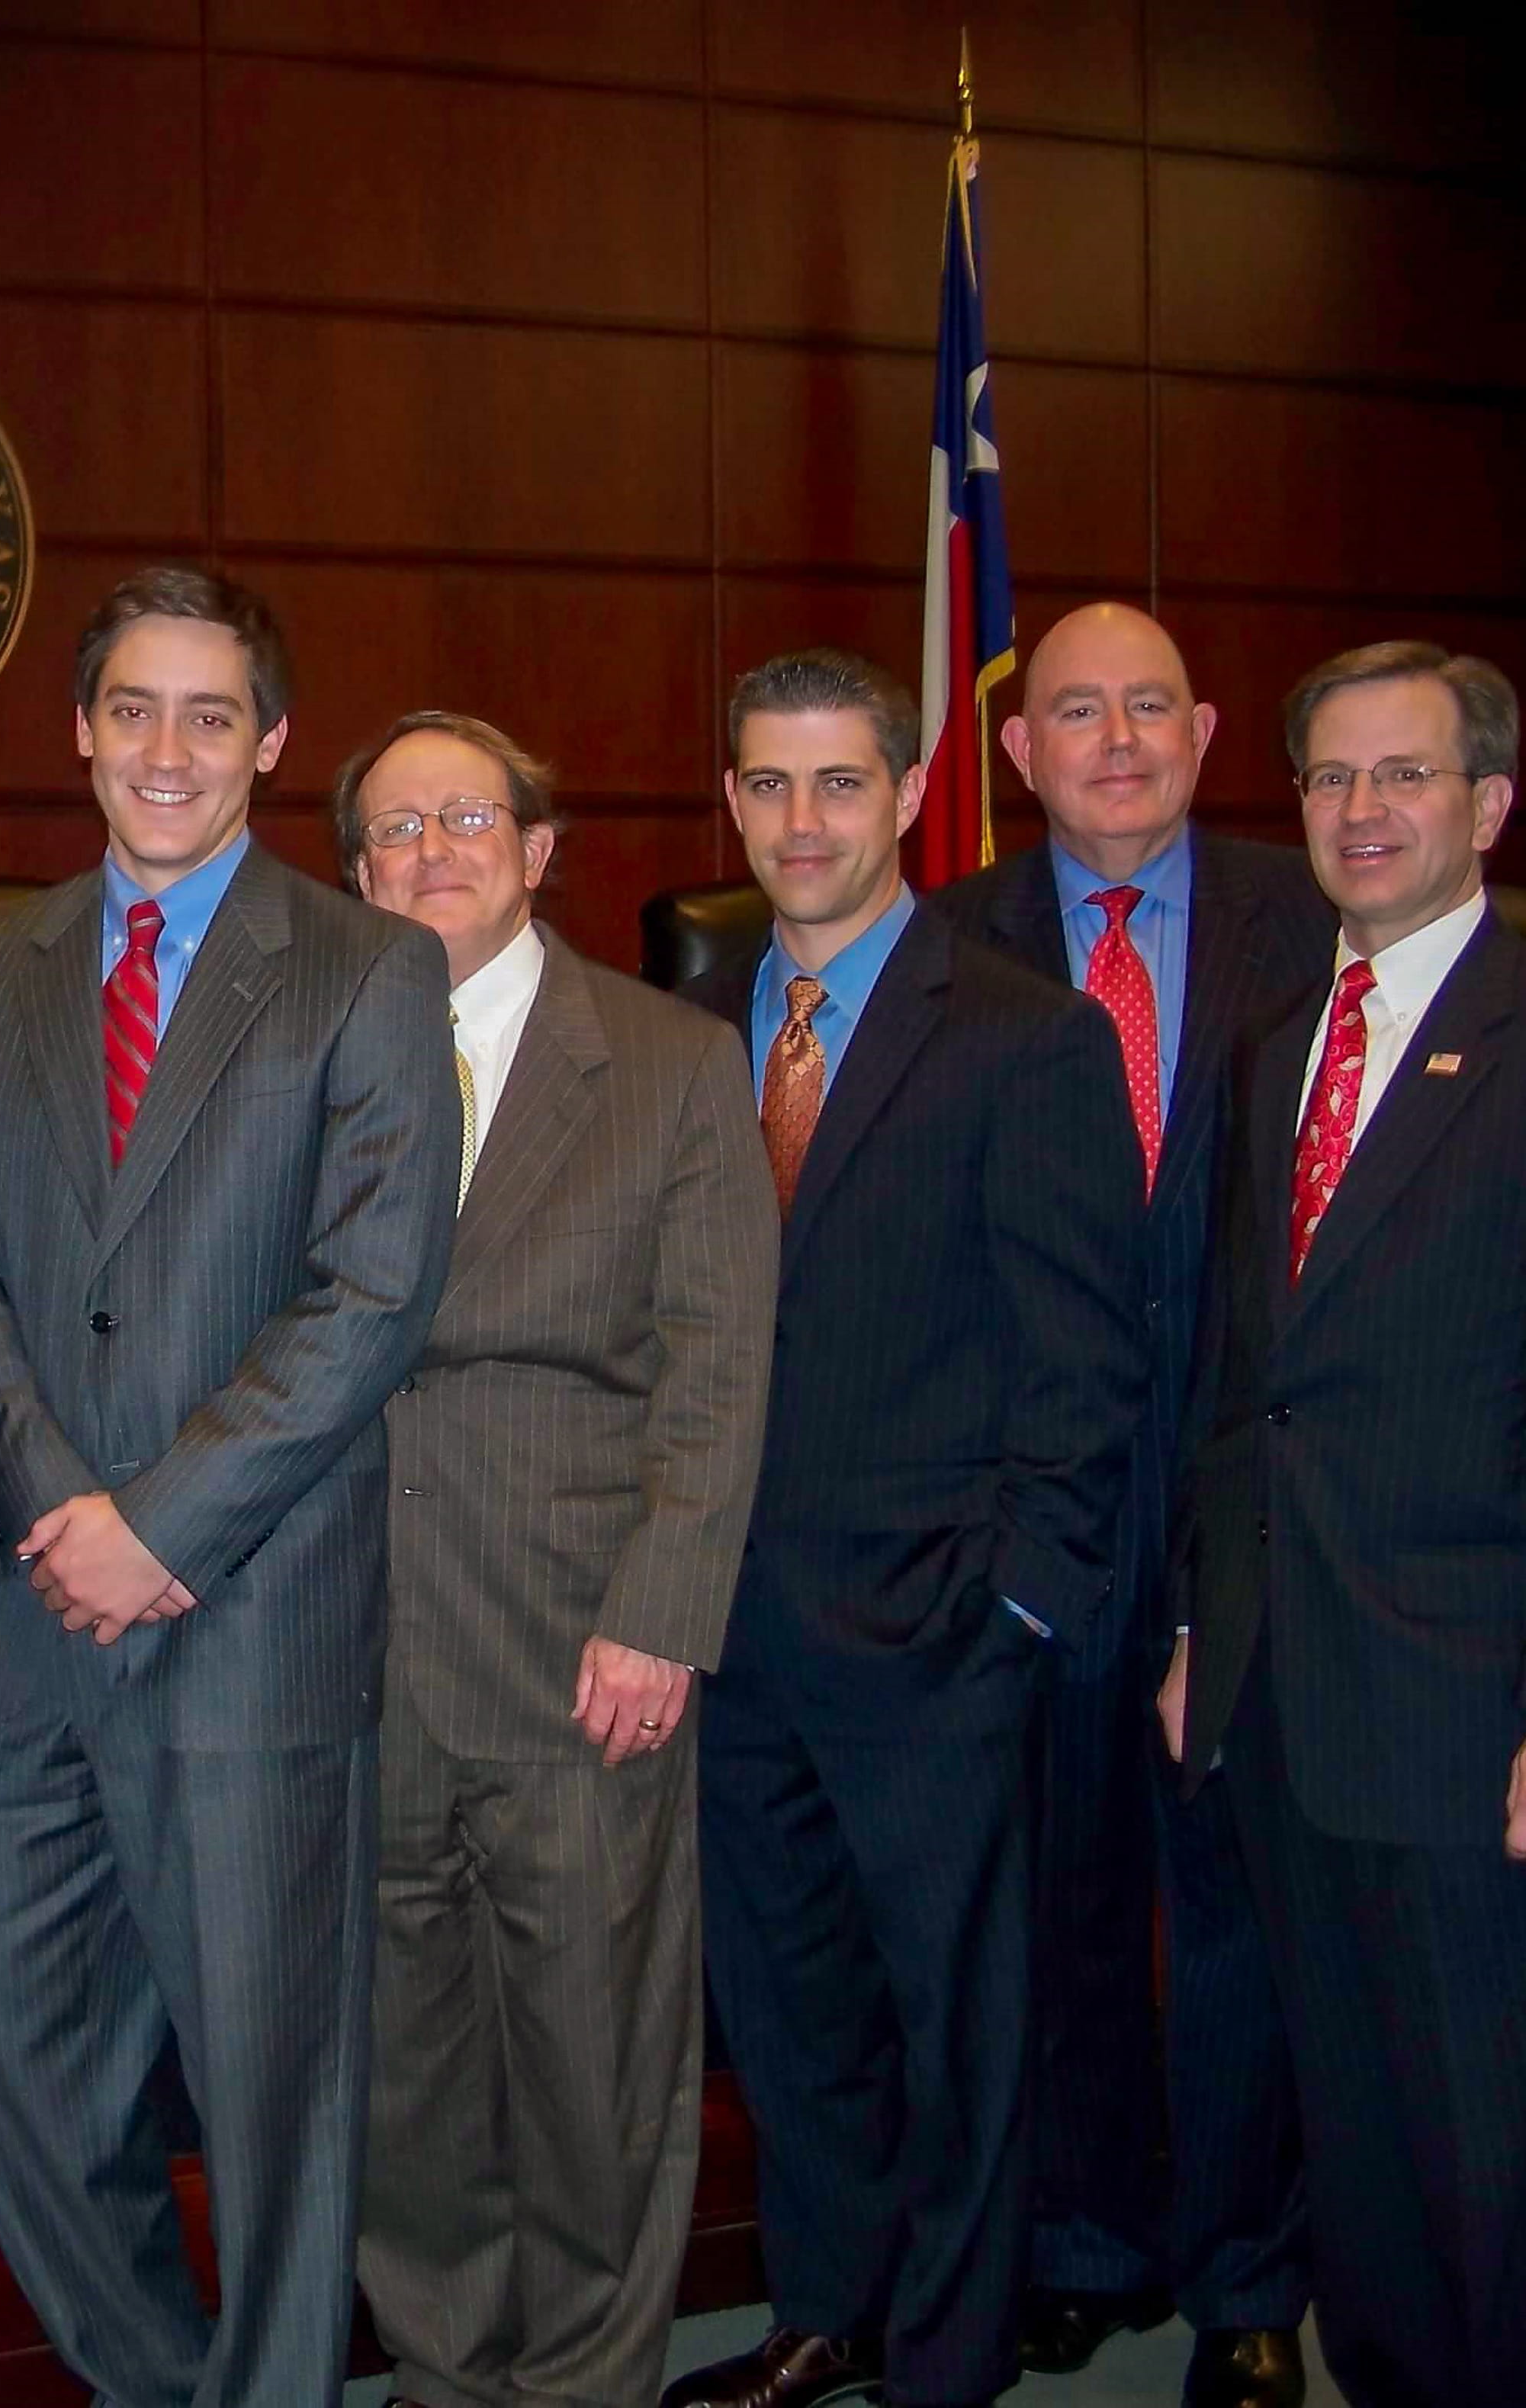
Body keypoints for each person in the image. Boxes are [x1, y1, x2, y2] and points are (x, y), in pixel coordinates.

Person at [0, 564, 458, 2408]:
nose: (165, 750)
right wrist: (66, 1505)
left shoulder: (366, 969)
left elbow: (373, 1292)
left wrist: (160, 1520)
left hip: (246, 1621)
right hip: (28, 1634)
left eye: (209, 716)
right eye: (131, 709)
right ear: (78, 728)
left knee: (271, 2111)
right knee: (24, 2079)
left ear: (271, 744)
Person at [665, 650, 1146, 2408]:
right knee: (791, 2017)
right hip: (726, 1633)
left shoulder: (1023, 1029)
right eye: (768, 787)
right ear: (729, 803)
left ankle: (943, 2363)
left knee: (958, 2027)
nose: (801, 823)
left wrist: (1016, 1607)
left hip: (938, 1637)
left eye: (838, 785)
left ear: (904, 795)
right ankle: (825, 2310)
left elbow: (1085, 1362)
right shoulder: (686, 1028)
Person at [1168, 642, 1526, 2408]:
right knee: (1355, 2148)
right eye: (1328, 780)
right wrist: (1205, 1632)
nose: (1359, 813)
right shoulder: (1278, 1040)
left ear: (1487, 807)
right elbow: (1241, 1377)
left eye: (1403, 777)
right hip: (1287, 1701)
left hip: (1483, 1718)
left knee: (1487, 2167)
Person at [338, 711, 774, 2408]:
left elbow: (717, 1362)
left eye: (466, 818)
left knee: (595, 2076)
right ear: (356, 872)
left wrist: (662, 1616)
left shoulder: (667, 1061)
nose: (428, 850)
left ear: (538, 847)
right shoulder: (311, 1056)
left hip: (578, 1652)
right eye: (391, 831)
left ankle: (586, 2387)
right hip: (359, 1653)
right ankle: (448, 2377)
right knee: (410, 2083)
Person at [927, 603, 1325, 2408]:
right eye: (1070, 711)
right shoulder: (941, 943)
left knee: (1236, 1911)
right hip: (1044, 1510)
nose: (1108, 739)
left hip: (1256, 1500)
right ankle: (1084, 2243)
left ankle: (1250, 2274)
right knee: (1062, 1899)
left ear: (1205, 729)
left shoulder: (1314, 932)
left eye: (1144, 707)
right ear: (1014, 752)